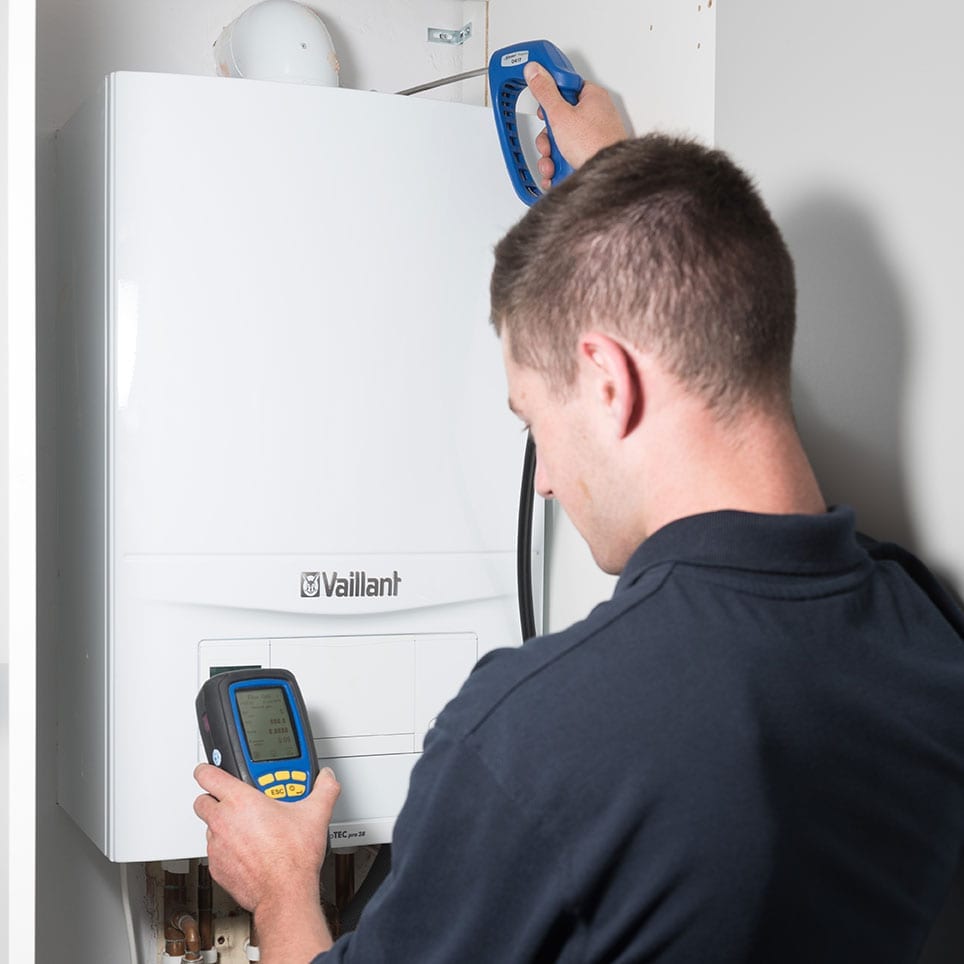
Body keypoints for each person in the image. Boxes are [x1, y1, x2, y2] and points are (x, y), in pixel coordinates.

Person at [194, 61, 964, 962]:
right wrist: (632, 202)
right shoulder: (924, 634)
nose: (546, 481)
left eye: (535, 423)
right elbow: (729, 392)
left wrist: (284, 889)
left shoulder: (534, 737)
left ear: (608, 379)